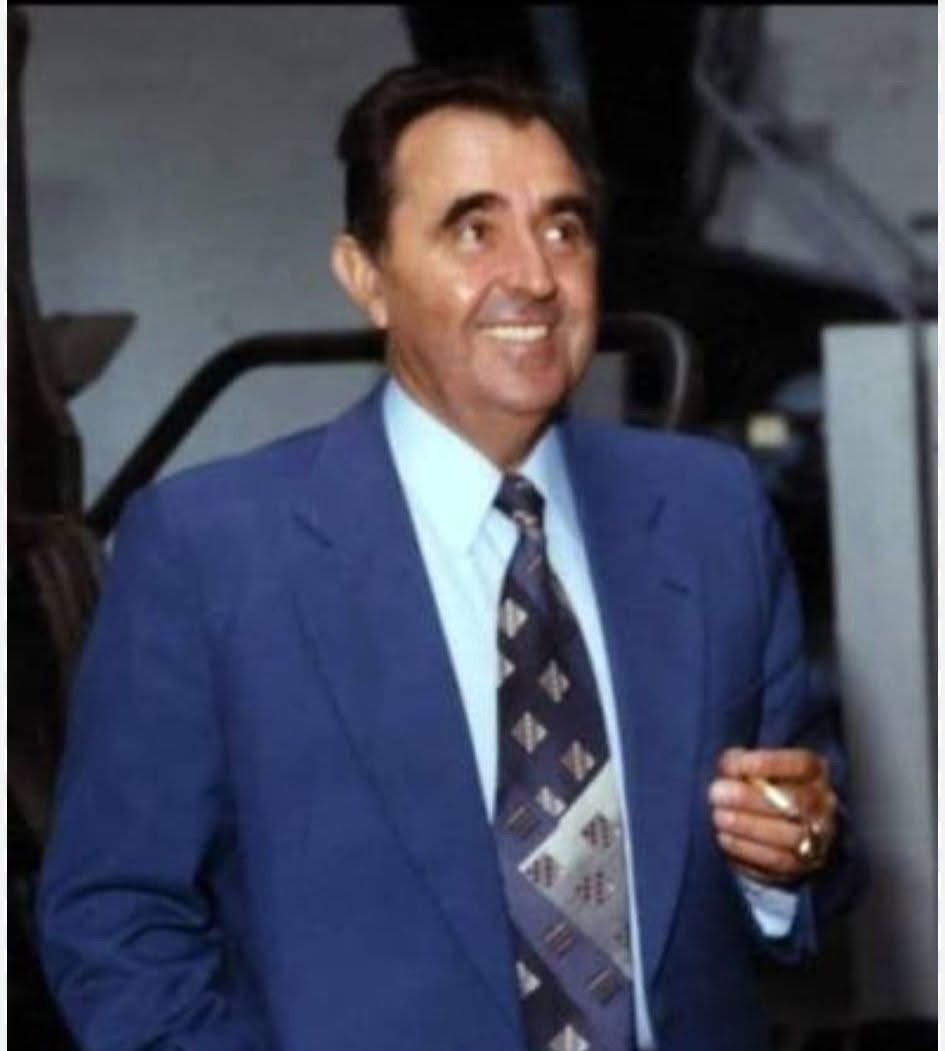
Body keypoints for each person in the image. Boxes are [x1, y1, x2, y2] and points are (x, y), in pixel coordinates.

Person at [38, 64, 860, 1051]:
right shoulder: (211, 551)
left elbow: (814, 844)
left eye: (563, 227)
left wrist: (791, 857)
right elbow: (114, 920)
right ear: (366, 275)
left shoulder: (707, 511)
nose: (536, 275)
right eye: (475, 229)